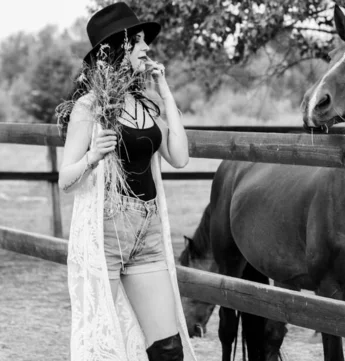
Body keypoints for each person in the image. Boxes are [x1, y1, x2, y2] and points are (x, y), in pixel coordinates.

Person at [57, 3, 198, 361]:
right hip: (106, 232)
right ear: (119, 48)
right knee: (104, 348)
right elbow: (65, 180)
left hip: (146, 231)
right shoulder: (90, 106)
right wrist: (91, 158)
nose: (146, 48)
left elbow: (179, 157)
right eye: (137, 41)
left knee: (169, 350)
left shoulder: (146, 104)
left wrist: (165, 94)